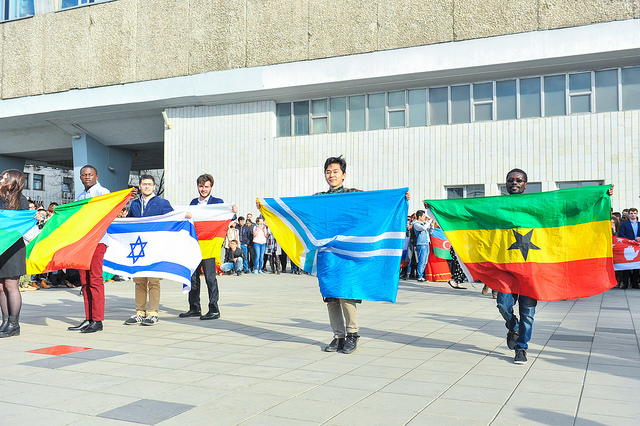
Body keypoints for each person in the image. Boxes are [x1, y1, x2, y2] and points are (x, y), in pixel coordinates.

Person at [314, 156, 410, 354]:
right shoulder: (318, 198)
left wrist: (400, 198)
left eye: (335, 171)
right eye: (328, 172)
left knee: (346, 292)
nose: (331, 175)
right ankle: (338, 336)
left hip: (348, 254)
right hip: (327, 254)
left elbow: (376, 205)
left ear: (344, 175)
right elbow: (298, 210)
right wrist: (267, 207)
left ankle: (352, 334)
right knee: (330, 296)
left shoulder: (354, 195)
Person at [180, 173, 237, 321]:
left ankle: (214, 309)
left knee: (210, 279)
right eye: (201, 186)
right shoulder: (193, 203)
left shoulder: (217, 202)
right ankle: (194, 308)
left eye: (206, 186)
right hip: (195, 246)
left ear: (211, 187)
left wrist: (233, 212)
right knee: (193, 278)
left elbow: (229, 217)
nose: (203, 189)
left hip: (210, 246)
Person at [124, 175, 174, 326]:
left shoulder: (162, 203)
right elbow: (129, 223)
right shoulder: (134, 204)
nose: (147, 186)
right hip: (139, 249)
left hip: (155, 249)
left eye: (149, 184)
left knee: (153, 281)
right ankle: (140, 312)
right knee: (139, 281)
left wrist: (185, 216)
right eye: (144, 184)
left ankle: (153, 313)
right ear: (139, 186)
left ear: (154, 187)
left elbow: (173, 219)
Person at [67, 165, 111, 333]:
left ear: (96, 176)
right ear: (80, 177)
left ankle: (97, 320)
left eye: (90, 175)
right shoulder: (80, 197)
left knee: (95, 280)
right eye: (84, 175)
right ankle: (89, 318)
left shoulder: (103, 193)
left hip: (97, 242)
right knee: (85, 282)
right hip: (83, 243)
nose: (87, 177)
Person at [0, 170, 30, 338]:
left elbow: (21, 224)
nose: (1, 180)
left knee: (11, 285)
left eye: (5, 178)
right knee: (0, 287)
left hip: (13, 248)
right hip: (0, 247)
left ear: (13, 181)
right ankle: (5, 322)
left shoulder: (21, 200)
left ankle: (13, 324)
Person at [619, 207, 640, 289]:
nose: (633, 215)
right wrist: (630, 240)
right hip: (628, 247)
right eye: (631, 213)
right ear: (629, 214)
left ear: (637, 214)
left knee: (636, 266)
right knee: (626, 265)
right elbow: (621, 234)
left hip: (638, 247)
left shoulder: (639, 224)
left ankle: (635, 283)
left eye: (634, 213)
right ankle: (625, 283)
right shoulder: (624, 224)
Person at [412, 210, 433, 283]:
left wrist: (432, 225)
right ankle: (420, 276)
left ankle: (422, 275)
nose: (424, 217)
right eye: (423, 216)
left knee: (425, 261)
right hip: (421, 244)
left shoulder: (423, 223)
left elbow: (429, 232)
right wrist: (429, 222)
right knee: (421, 260)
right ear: (419, 217)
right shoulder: (416, 224)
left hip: (426, 243)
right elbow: (423, 228)